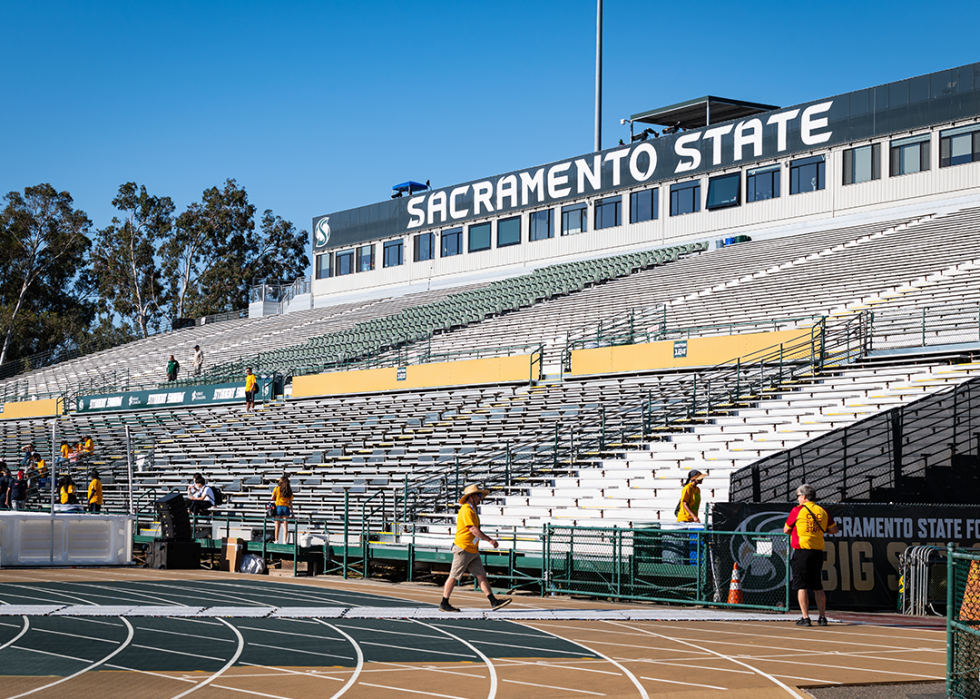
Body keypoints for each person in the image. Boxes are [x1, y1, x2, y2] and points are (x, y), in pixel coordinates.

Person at [440, 484, 511, 613]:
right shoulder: (466, 509)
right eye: (479, 495)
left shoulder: (471, 510)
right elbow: (472, 529)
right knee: (454, 576)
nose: (481, 498)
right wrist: (489, 540)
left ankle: (493, 602)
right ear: (471, 497)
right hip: (463, 548)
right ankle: (444, 603)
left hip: (472, 550)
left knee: (481, 576)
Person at [784, 483, 839, 627]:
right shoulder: (822, 511)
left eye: (798, 496)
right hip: (817, 552)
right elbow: (834, 530)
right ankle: (822, 617)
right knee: (817, 586)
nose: (797, 499)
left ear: (803, 497)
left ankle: (806, 617)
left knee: (801, 585)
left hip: (802, 551)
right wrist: (817, 532)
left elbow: (786, 529)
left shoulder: (798, 510)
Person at [271, 474, 294, 543]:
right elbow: (290, 502)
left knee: (277, 525)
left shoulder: (276, 488)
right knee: (285, 525)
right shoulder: (289, 490)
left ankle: (276, 540)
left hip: (278, 506)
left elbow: (272, 498)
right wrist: (292, 512)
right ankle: (284, 541)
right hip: (286, 507)